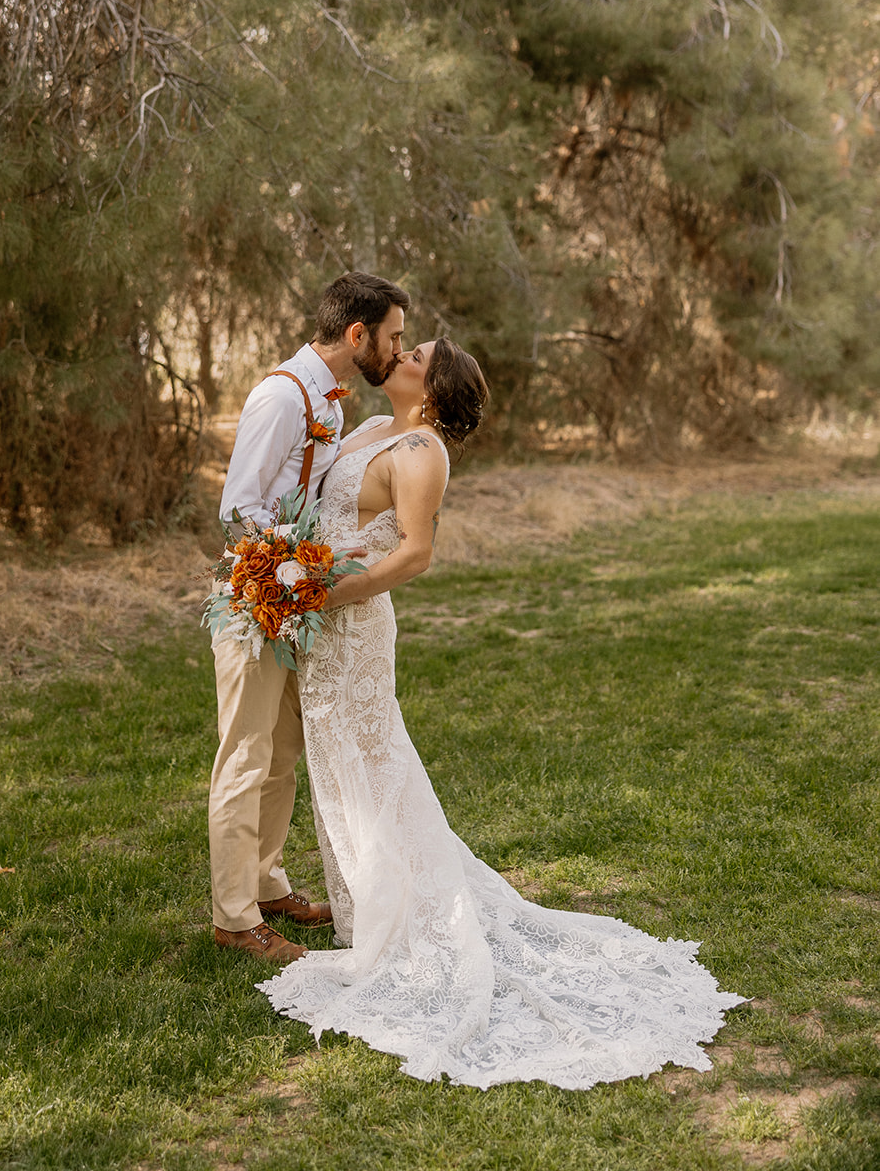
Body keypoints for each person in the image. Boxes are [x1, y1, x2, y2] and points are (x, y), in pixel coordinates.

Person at [259, 337, 745, 1088]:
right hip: (320, 627)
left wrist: (323, 593)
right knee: (339, 767)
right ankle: (372, 910)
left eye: (413, 350)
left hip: (351, 628)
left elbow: (415, 554)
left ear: (432, 381)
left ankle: (405, 923)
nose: (398, 351)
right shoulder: (366, 432)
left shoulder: (421, 451)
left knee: (371, 761)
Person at [209, 272, 410, 966]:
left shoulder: (326, 401)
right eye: (392, 336)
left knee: (282, 755)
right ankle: (232, 918)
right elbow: (240, 509)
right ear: (357, 335)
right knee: (244, 754)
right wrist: (291, 576)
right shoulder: (279, 397)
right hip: (255, 599)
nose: (396, 348)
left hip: (295, 607)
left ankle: (265, 888)